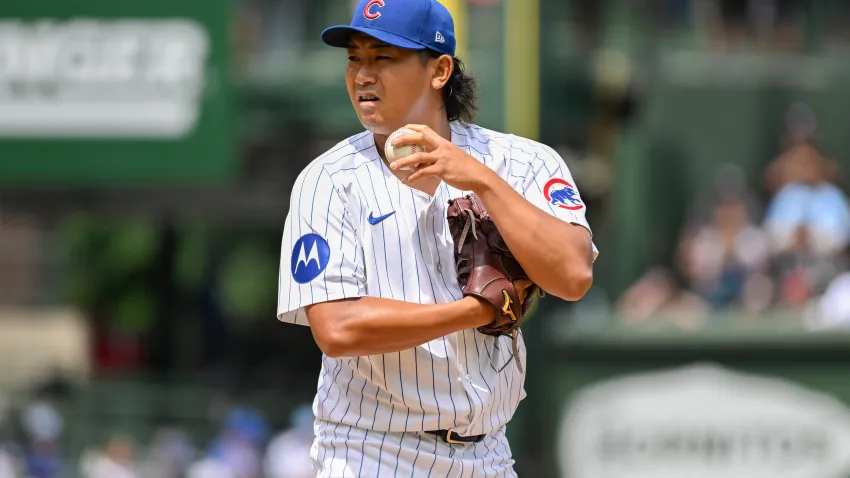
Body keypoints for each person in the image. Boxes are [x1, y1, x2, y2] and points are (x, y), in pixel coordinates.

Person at [276, 0, 597, 476]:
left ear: (440, 69)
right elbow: (339, 328)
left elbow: (573, 276)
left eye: (383, 57)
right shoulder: (327, 180)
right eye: (354, 58)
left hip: (488, 452)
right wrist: (473, 311)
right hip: (371, 451)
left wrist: (484, 182)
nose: (363, 74)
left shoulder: (523, 162)